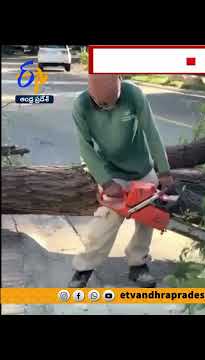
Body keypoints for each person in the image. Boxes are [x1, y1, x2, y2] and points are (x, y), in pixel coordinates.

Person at [69, 74, 173, 288]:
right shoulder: (81, 105)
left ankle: (138, 264)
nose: (108, 107)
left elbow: (151, 133)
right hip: (111, 171)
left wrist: (163, 171)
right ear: (91, 94)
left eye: (112, 102)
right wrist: (106, 181)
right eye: (102, 104)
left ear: (119, 84)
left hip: (142, 169)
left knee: (148, 216)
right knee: (107, 219)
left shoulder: (133, 94)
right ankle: (83, 268)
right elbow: (85, 148)